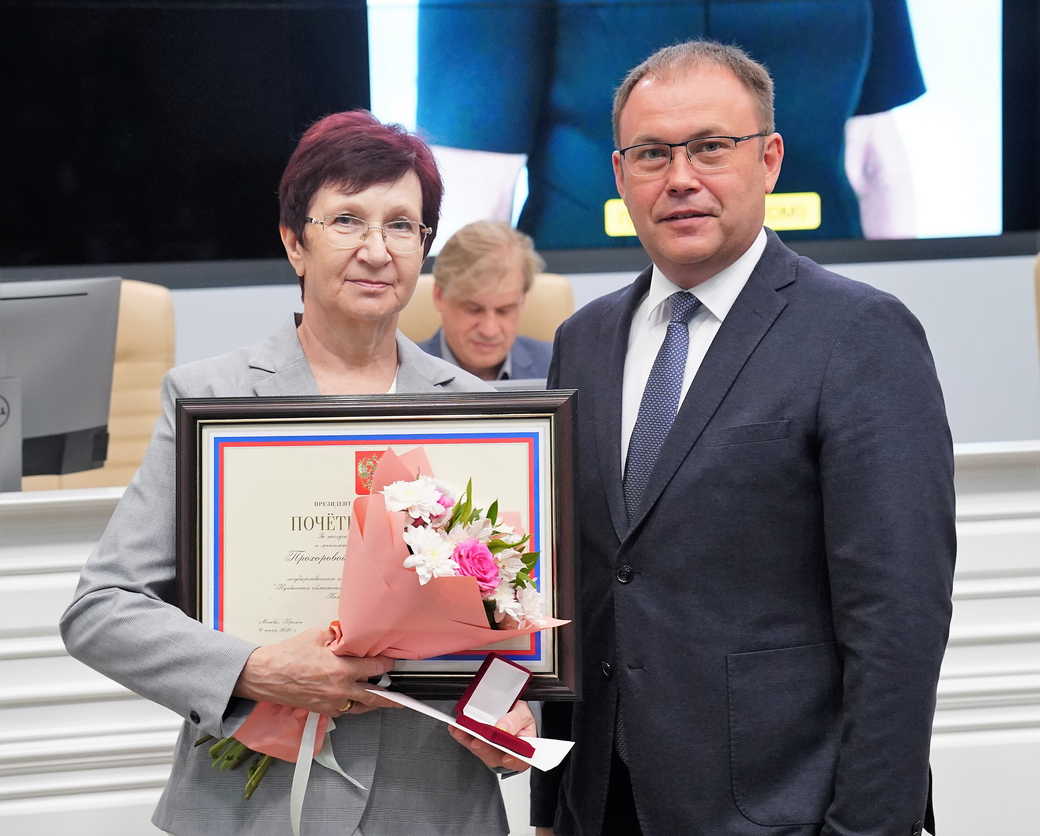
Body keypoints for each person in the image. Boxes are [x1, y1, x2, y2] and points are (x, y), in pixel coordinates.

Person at [59, 110, 533, 836]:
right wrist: (253, 669)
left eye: (401, 226)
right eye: (346, 220)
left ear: (424, 247)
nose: (376, 250)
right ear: (293, 241)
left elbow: (514, 617)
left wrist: (513, 713)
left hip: (435, 803)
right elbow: (101, 610)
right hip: (251, 809)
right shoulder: (210, 401)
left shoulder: (482, 416)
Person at [531, 42, 955, 835]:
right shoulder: (581, 341)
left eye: (710, 147)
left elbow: (898, 623)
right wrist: (553, 807)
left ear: (769, 160)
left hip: (785, 811)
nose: (680, 177)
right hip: (604, 803)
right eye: (652, 154)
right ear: (619, 175)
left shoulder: (860, 334)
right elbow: (584, 589)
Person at [417, 0, 923, 249]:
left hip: (819, 273)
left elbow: (877, 154)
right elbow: (474, 179)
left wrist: (898, 305)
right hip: (591, 278)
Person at [418, 220, 552, 381]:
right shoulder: (399, 373)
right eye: (474, 310)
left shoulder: (557, 366)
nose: (489, 331)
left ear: (522, 301)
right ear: (439, 296)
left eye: (504, 311)